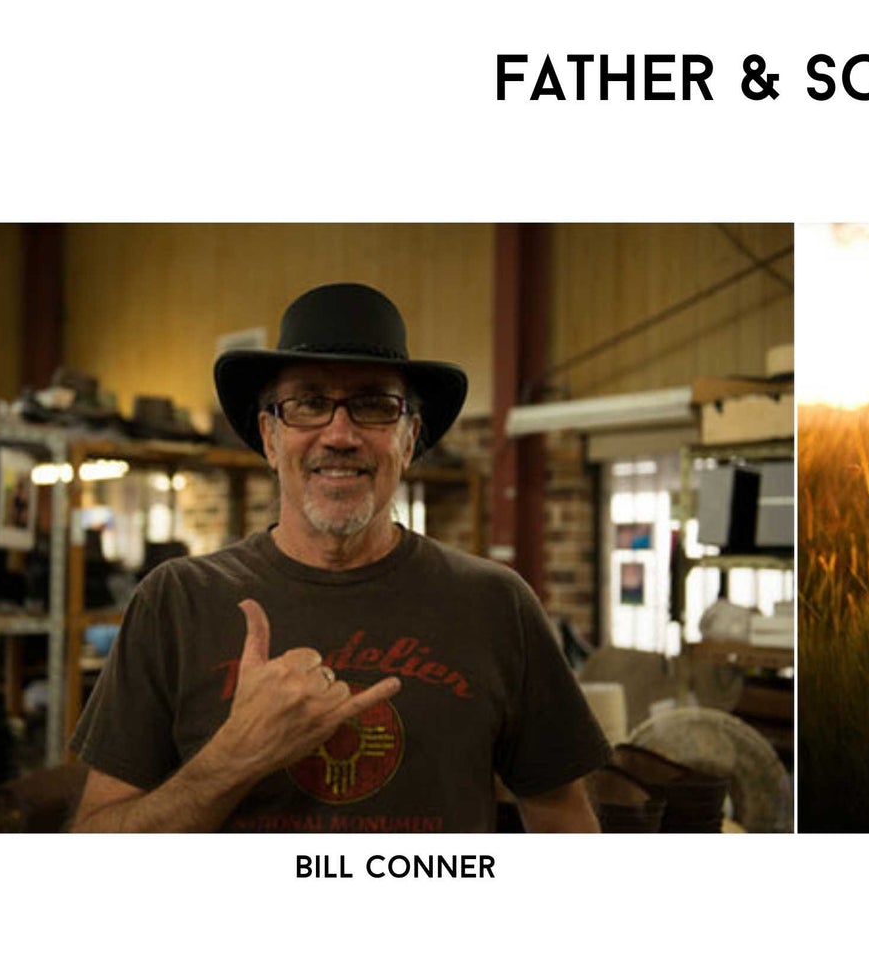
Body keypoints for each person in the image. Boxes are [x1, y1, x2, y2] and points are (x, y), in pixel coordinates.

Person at [69, 282, 611, 832]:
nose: (340, 434)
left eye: (375, 405)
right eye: (308, 403)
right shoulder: (177, 602)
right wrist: (230, 759)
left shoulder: (496, 604)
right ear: (269, 436)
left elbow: (560, 815)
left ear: (409, 439)